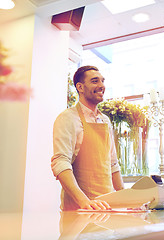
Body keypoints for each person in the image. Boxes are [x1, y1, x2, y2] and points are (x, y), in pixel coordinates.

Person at [51, 65, 124, 211]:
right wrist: (84, 202)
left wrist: (127, 200)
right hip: (80, 210)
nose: (101, 85)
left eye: (102, 81)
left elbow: (113, 164)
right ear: (80, 87)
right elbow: (60, 163)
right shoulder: (67, 118)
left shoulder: (105, 120)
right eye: (95, 81)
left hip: (106, 208)